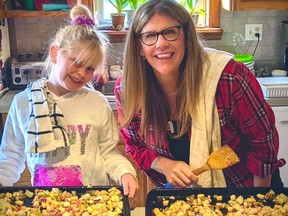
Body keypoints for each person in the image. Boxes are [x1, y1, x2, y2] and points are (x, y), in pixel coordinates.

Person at [115, 0, 286, 188]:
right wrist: (165, 165)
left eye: (170, 32)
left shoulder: (229, 78)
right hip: (187, 198)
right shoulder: (128, 91)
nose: (161, 43)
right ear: (139, 46)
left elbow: (261, 140)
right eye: (149, 36)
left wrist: (257, 201)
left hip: (249, 186)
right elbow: (134, 146)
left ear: (187, 38)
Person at [0, 4, 139, 199]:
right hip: (47, 203)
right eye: (77, 62)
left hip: (94, 202)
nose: (82, 73)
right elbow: (11, 157)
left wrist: (125, 172)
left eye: (90, 69)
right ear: (55, 53)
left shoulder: (97, 103)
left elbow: (108, 153)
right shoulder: (25, 103)